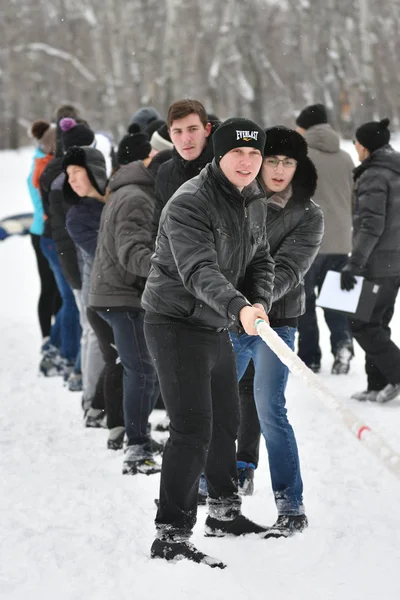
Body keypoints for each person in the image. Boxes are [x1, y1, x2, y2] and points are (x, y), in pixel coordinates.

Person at [142, 117, 275, 568]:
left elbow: (261, 258)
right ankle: (171, 535)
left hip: (216, 320)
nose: (248, 161)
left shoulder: (252, 200)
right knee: (192, 428)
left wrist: (258, 299)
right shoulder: (189, 202)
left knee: (226, 419)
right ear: (218, 156)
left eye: (255, 153)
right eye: (238, 153)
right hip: (175, 321)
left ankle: (223, 511)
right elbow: (198, 270)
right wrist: (239, 307)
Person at [232, 128, 324, 539]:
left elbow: (288, 268)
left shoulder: (309, 214)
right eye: (273, 160)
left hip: (278, 320)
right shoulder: (237, 199)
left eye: (289, 162)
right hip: (230, 315)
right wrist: (235, 306)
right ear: (259, 161)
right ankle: (220, 482)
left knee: (270, 407)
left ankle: (291, 505)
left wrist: (256, 305)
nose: (280, 170)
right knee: (214, 402)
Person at [90, 127, 170, 472]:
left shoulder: (133, 190)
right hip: (121, 296)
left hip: (119, 293)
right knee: (141, 369)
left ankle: (137, 434)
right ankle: (136, 445)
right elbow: (132, 252)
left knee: (143, 369)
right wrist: (168, 267)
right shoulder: (138, 197)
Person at [342, 118, 400, 403]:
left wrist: (355, 263)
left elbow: (370, 225)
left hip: (377, 263)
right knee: (378, 322)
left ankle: (396, 374)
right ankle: (377, 384)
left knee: (361, 323)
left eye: (356, 143)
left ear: (364, 147)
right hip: (394, 263)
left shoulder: (374, 176)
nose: (355, 147)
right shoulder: (395, 169)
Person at [295, 104, 354, 374]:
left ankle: (310, 357)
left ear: (304, 128)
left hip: (308, 242)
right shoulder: (345, 157)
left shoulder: (299, 157)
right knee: (335, 300)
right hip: (341, 241)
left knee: (304, 303)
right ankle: (343, 344)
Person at [27, 120, 60, 343]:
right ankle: (47, 337)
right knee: (49, 286)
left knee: (57, 287)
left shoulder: (45, 161)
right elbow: (43, 206)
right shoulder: (41, 166)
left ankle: (57, 333)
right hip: (42, 233)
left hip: (47, 232)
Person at [155, 98, 217, 209]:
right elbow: (159, 224)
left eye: (193, 129)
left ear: (207, 130)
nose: (186, 139)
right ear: (170, 134)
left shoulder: (226, 166)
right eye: (178, 131)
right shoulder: (165, 173)